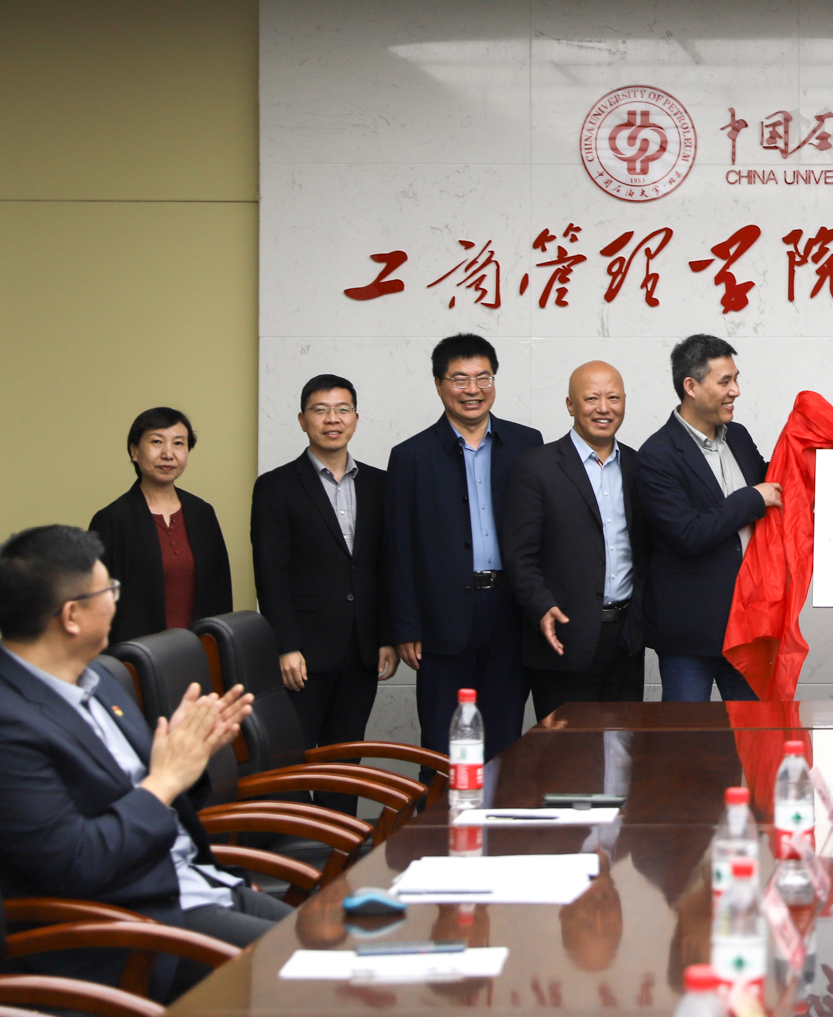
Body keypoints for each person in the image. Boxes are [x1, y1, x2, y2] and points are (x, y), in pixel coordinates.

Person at [0, 525, 286, 999]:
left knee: (346, 943)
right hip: (131, 931)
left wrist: (190, 757)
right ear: (72, 616)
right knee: (320, 977)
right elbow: (77, 863)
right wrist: (164, 779)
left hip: (191, 884)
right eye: (108, 589)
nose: (115, 599)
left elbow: (148, 799)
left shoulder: (97, 680)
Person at [385, 333, 542, 755]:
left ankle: (496, 801)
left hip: (511, 612)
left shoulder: (527, 444)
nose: (473, 389)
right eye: (459, 379)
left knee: (504, 740)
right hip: (441, 618)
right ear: (439, 385)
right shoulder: (411, 456)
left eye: (483, 377)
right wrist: (406, 626)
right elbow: (398, 549)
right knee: (444, 743)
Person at [249, 374, 395, 791]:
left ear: (355, 419)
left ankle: (342, 836)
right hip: (304, 653)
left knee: (346, 763)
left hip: (362, 650)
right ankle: (298, 836)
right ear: (302, 420)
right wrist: (285, 646)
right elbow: (270, 572)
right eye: (321, 410)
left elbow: (387, 566)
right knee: (293, 764)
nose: (333, 419)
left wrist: (387, 636)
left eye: (342, 409)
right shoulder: (276, 486)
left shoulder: (380, 484)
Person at [636, 334, 781, 702]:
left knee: (754, 731)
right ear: (691, 386)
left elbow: (773, 482)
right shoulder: (657, 455)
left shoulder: (739, 436)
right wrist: (752, 498)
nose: (736, 391)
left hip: (748, 625)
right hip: (690, 634)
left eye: (736, 379)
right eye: (725, 381)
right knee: (687, 735)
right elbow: (688, 533)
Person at [503, 361, 649, 715]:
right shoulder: (536, 466)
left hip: (626, 641)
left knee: (626, 743)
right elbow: (519, 554)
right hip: (564, 637)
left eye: (613, 398)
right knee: (566, 748)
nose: (604, 408)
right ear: (570, 405)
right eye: (591, 398)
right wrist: (541, 606)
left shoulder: (638, 466)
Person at [89, 407, 234, 644]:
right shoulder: (112, 520)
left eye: (178, 443)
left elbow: (221, 593)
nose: (168, 454)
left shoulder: (202, 513)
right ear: (134, 451)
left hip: (201, 653)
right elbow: (97, 602)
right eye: (157, 442)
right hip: (136, 657)